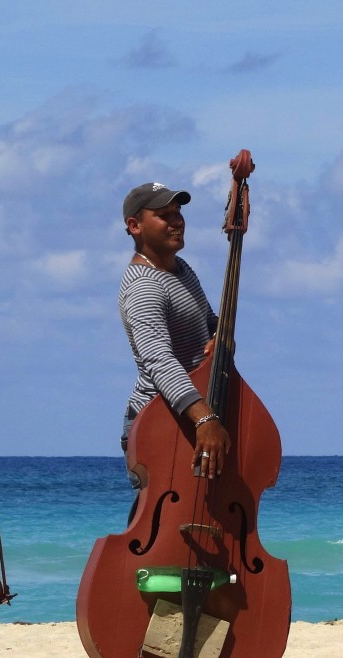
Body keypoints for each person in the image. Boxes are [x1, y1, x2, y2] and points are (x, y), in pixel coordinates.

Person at [118, 182, 230, 483]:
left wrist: (220, 335)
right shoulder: (145, 287)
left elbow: (209, 322)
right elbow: (159, 361)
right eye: (164, 215)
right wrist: (205, 419)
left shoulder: (180, 269)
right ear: (135, 225)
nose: (177, 220)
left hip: (190, 415)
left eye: (178, 212)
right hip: (159, 421)